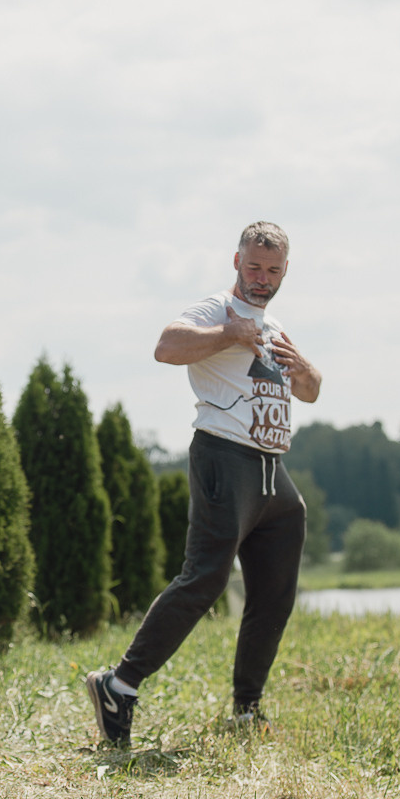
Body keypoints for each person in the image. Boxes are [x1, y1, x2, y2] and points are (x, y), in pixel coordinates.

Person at [85, 221, 321, 747]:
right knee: (206, 578)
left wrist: (303, 367)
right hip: (224, 458)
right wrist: (228, 335)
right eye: (254, 266)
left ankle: (246, 708)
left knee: (275, 592)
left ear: (285, 271)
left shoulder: (275, 325)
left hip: (272, 472)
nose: (262, 278)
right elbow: (166, 347)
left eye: (273, 270)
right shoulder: (217, 310)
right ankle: (118, 685)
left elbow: (311, 391)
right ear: (236, 261)